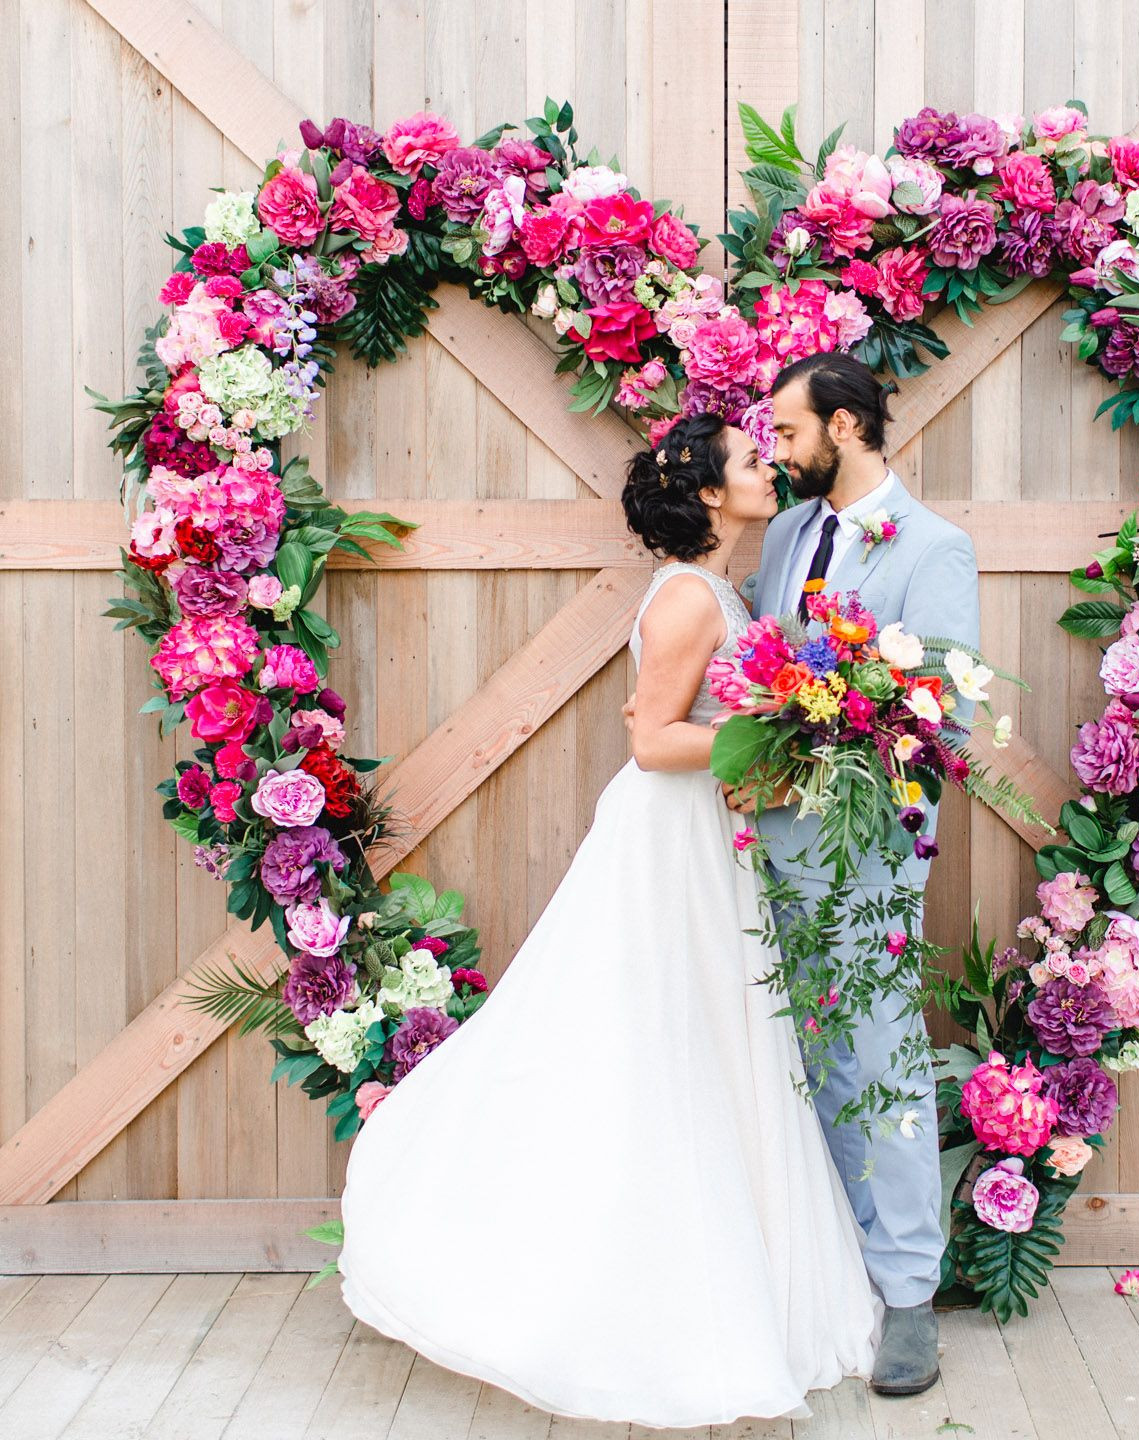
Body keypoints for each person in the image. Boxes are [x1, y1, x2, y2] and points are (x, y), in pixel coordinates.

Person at [336, 412, 884, 1429]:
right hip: (663, 841)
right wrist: (781, 742)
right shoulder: (687, 599)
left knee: (712, 1042)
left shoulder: (718, 587)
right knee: (651, 1041)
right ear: (714, 494)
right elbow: (652, 739)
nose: (770, 469)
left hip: (705, 843)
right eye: (754, 462)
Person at [734, 350, 980, 1397]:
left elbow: (942, 717)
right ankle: (832, 1268)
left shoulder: (934, 548)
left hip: (867, 851)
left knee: (879, 1064)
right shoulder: (787, 536)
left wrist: (824, 778)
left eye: (788, 432)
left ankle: (911, 1294)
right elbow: (757, 668)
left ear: (843, 426)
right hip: (770, 852)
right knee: (798, 1060)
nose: (775, 451)